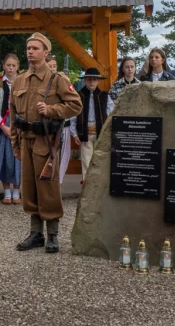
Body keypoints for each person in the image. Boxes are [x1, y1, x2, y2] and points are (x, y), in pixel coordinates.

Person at [11, 33, 83, 253]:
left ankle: (52, 234)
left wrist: (51, 110)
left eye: (35, 48)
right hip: (26, 141)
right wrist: (15, 143)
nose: (30, 52)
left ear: (45, 52)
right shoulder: (19, 80)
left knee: (48, 188)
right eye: (28, 48)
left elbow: (75, 105)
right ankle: (36, 234)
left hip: (47, 142)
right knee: (30, 188)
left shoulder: (57, 79)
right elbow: (13, 115)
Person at [69, 67, 115, 184]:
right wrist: (74, 134)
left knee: (100, 159)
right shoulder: (78, 96)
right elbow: (73, 116)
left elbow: (112, 114)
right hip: (84, 132)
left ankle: (99, 186)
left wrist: (108, 131)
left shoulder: (104, 96)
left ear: (98, 81)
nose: (92, 82)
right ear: (85, 80)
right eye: (89, 79)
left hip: (100, 132)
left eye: (94, 80)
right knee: (86, 160)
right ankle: (87, 186)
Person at [0, 54, 22, 204]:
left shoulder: (24, 82)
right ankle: (6, 191)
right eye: (8, 65)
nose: (11, 68)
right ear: (3, 66)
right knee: (3, 158)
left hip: (20, 123)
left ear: (18, 67)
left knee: (19, 158)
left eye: (13, 65)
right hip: (2, 124)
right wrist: (2, 126)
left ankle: (17, 191)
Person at [47, 55, 73, 183]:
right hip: (49, 125)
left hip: (64, 124)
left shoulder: (63, 80)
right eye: (50, 66)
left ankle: (59, 182)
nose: (52, 68)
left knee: (64, 155)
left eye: (54, 66)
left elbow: (72, 103)